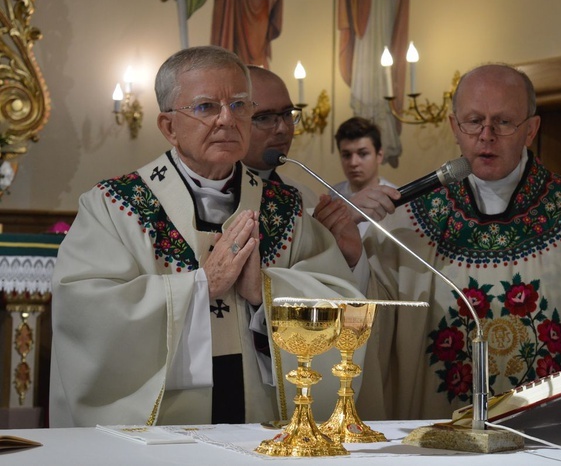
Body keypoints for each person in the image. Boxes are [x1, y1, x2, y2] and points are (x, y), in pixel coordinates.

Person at [49, 46, 364, 427]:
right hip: (164, 428)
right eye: (205, 108)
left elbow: (342, 305)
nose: (227, 120)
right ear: (168, 127)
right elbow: (86, 313)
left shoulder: (286, 207)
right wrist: (200, 286)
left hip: (263, 417)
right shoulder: (114, 206)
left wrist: (264, 291)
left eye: (240, 105)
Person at [358, 63, 561, 421]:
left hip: (551, 437)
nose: (486, 135)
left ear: (531, 129)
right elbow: (366, 308)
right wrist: (350, 247)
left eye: (503, 122)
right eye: (473, 121)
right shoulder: (409, 222)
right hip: (441, 435)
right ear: (455, 127)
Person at [241, 65, 318, 209]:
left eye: (287, 113)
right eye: (264, 118)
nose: (283, 128)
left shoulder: (304, 197)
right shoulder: (214, 201)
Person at [330, 117, 398, 236]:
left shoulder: (395, 197)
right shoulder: (334, 195)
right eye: (346, 155)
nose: (353, 163)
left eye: (363, 154)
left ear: (379, 155)